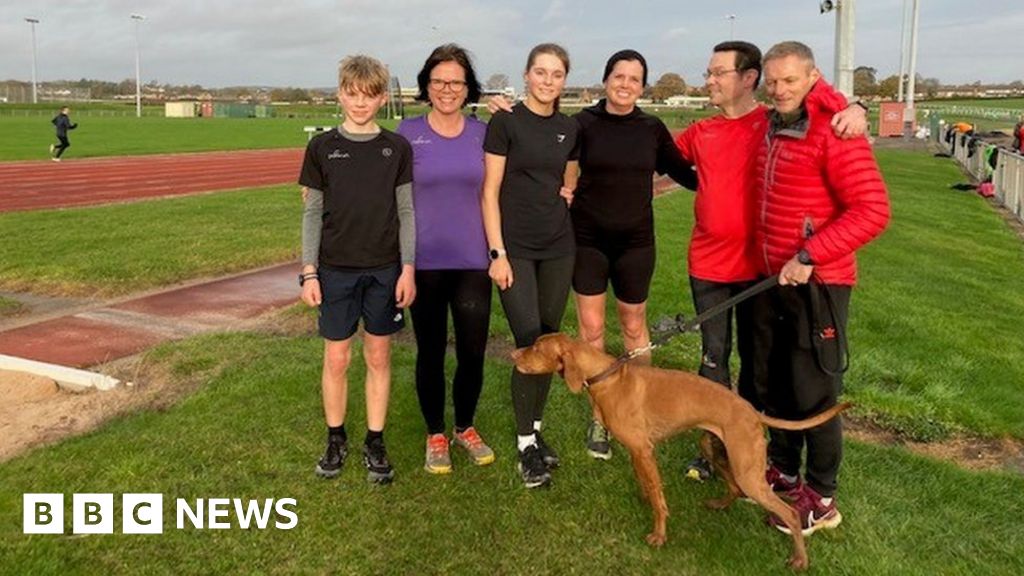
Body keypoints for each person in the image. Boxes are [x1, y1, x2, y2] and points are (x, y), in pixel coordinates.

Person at [489, 50, 699, 462]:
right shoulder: (581, 124)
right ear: (605, 81)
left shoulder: (652, 128)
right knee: (592, 330)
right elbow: (544, 141)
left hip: (636, 243)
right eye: (618, 76)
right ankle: (601, 415)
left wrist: (727, 182)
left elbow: (683, 173)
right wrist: (507, 108)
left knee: (635, 326)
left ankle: (640, 408)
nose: (625, 84)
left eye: (634, 79)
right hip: (586, 241)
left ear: (642, 86)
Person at [673, 41, 867, 482]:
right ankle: (714, 450)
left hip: (763, 270)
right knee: (713, 362)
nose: (709, 81)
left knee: (762, 370)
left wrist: (855, 105)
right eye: (709, 72)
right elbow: (655, 155)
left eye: (718, 72)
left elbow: (815, 97)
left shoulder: (774, 121)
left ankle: (759, 452)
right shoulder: (702, 131)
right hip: (709, 265)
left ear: (748, 78)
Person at [751, 41, 890, 535]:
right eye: (773, 81)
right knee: (780, 383)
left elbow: (873, 212)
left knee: (816, 392)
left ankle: (822, 498)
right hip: (774, 279)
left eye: (790, 80)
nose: (780, 89)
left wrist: (810, 255)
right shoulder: (774, 123)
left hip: (819, 283)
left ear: (813, 78)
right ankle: (786, 471)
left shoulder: (836, 131)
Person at [298, 54, 416, 485]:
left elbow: (406, 211)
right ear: (340, 94)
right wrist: (309, 271)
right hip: (334, 272)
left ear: (381, 98)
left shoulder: (396, 148)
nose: (360, 103)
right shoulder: (322, 147)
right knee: (337, 357)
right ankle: (335, 437)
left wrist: (408, 268)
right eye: (352, 94)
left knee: (379, 355)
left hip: (385, 270)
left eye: (368, 95)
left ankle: (375, 440)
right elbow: (312, 214)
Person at [482, 43, 579, 489]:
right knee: (528, 343)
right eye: (540, 72)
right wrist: (497, 253)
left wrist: (570, 189)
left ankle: (536, 433)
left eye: (556, 74)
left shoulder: (568, 127)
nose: (547, 80)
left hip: (559, 248)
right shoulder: (505, 123)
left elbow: (570, 171)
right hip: (515, 250)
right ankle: (525, 448)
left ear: (564, 80)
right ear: (526, 75)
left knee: (551, 344)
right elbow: (490, 191)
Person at [397, 44, 495, 475]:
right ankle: (435, 432)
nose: (447, 89)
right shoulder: (407, 131)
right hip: (425, 263)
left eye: (456, 82)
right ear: (427, 86)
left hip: (473, 262)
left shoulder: (484, 133)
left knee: (473, 352)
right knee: (431, 352)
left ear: (468, 87)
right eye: (438, 81)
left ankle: (465, 426)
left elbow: (505, 186)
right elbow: (383, 188)